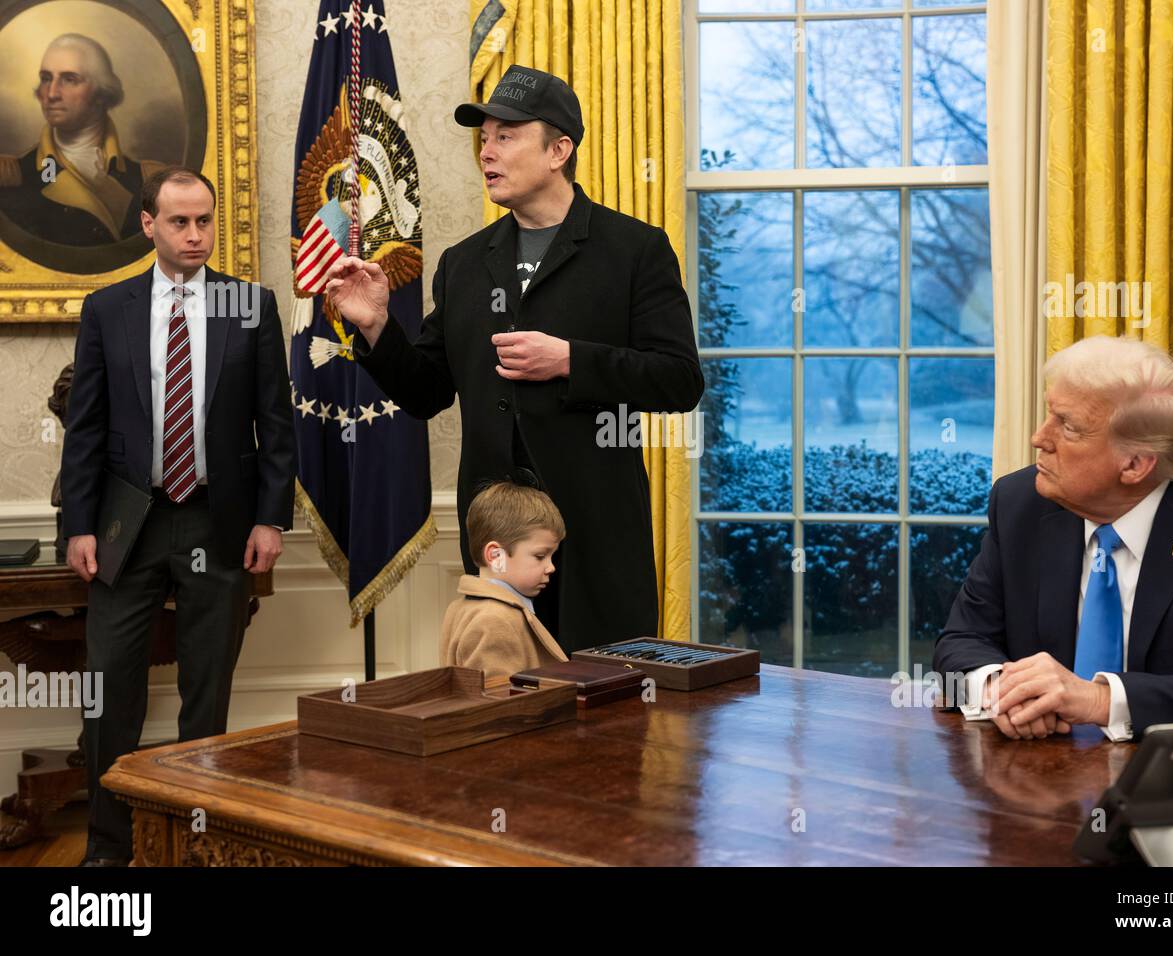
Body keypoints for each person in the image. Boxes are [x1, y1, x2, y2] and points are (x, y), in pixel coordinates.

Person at [324, 65, 704, 653]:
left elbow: (679, 382)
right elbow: (426, 392)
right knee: (502, 714)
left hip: (597, 534)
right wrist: (376, 326)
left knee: (604, 718)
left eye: (506, 136)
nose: (487, 152)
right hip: (496, 544)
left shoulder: (636, 250)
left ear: (559, 150)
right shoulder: (464, 263)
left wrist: (571, 360)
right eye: (484, 138)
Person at [60, 166, 296, 865]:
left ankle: (198, 838)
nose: (196, 235)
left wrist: (270, 518)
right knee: (110, 692)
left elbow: (275, 425)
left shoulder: (250, 306)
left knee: (207, 693)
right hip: (127, 523)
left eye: (205, 221)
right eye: (180, 222)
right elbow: (86, 428)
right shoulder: (109, 309)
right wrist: (77, 524)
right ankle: (107, 848)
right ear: (148, 225)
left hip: (218, 520)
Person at [934, 335, 1173, 741]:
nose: (1039, 438)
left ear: (1135, 464)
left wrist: (1101, 701)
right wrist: (1001, 688)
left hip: (1169, 784)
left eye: (1067, 426)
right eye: (1048, 414)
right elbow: (962, 639)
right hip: (1036, 776)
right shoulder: (1020, 503)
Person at [0, 34, 163, 245]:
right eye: (46, 78)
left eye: (69, 79)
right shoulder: (11, 178)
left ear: (101, 93)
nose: (51, 94)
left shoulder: (148, 179)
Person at [441, 481, 568, 680]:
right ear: (496, 556)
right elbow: (498, 704)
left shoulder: (461, 607)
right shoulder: (494, 621)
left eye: (552, 556)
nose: (551, 567)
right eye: (540, 556)